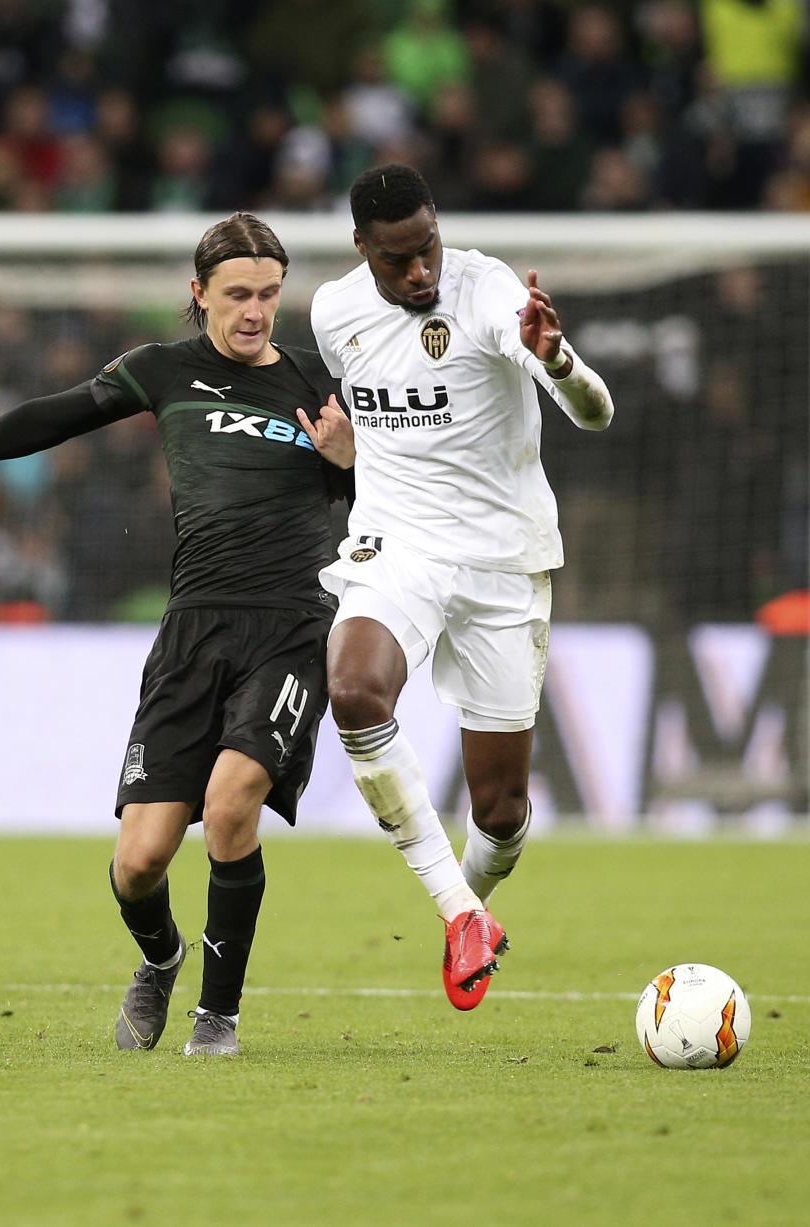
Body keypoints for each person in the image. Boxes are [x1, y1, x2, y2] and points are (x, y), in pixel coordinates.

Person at [0, 212, 355, 1057]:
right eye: (237, 294)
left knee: (232, 804)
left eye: (270, 295)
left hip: (290, 625)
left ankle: (219, 1017)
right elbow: (53, 417)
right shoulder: (162, 371)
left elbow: (375, 502)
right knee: (139, 861)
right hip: (192, 630)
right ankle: (162, 959)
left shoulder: (318, 386)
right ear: (198, 293)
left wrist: (350, 464)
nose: (255, 312)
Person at [310, 163, 613, 1011]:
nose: (421, 273)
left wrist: (558, 364)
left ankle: (473, 907)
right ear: (362, 247)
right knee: (353, 690)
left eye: (429, 247)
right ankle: (458, 913)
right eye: (399, 258)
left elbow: (597, 414)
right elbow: (383, 429)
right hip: (397, 544)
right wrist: (350, 457)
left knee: (504, 813)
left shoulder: (489, 295)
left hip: (501, 561)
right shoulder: (334, 313)